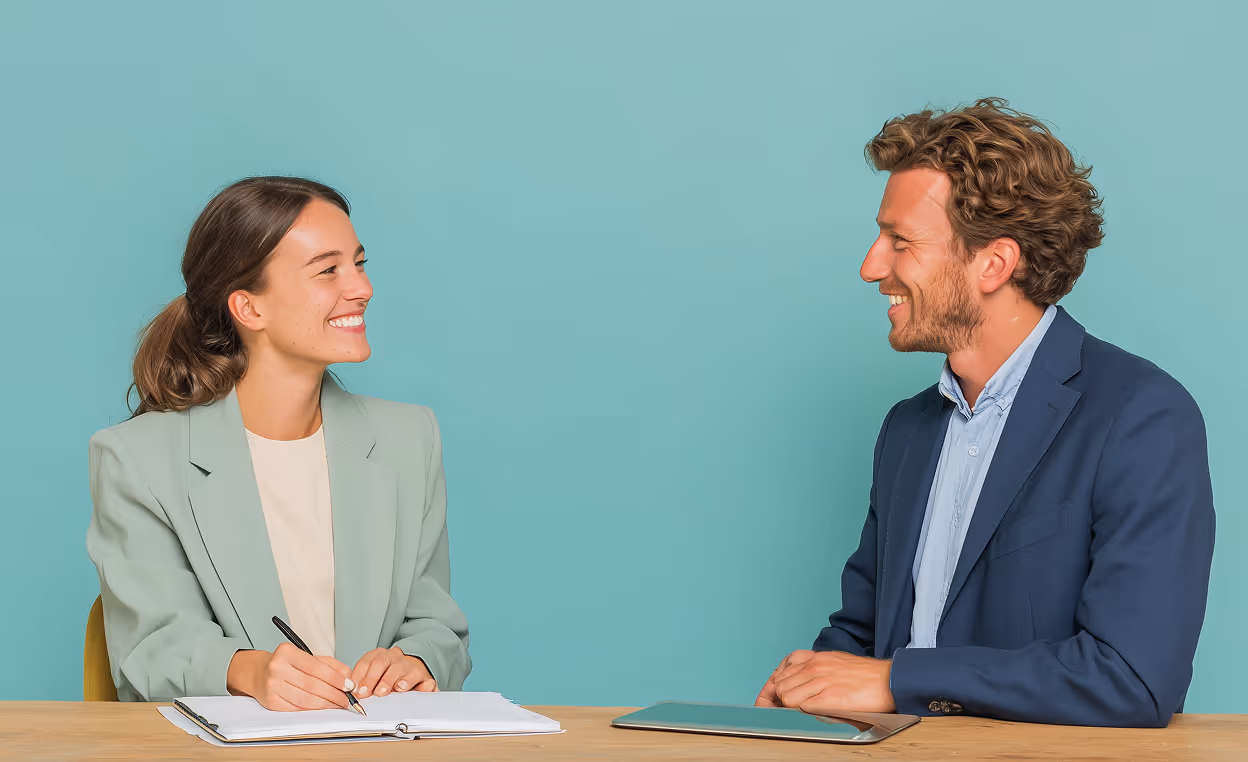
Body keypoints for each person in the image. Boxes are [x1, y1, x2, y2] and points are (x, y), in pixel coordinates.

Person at [755, 99, 1214, 728]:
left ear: (994, 263)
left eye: (900, 242)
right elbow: (862, 634)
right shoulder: (906, 430)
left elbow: (1132, 679)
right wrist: (805, 691)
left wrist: (899, 679)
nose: (871, 267)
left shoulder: (1143, 417)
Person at [87, 176, 471, 709]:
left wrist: (417, 660)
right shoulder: (137, 459)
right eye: (327, 270)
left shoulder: (410, 439)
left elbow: (437, 625)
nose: (361, 288)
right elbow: (151, 650)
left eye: (358, 263)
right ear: (248, 308)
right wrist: (249, 671)